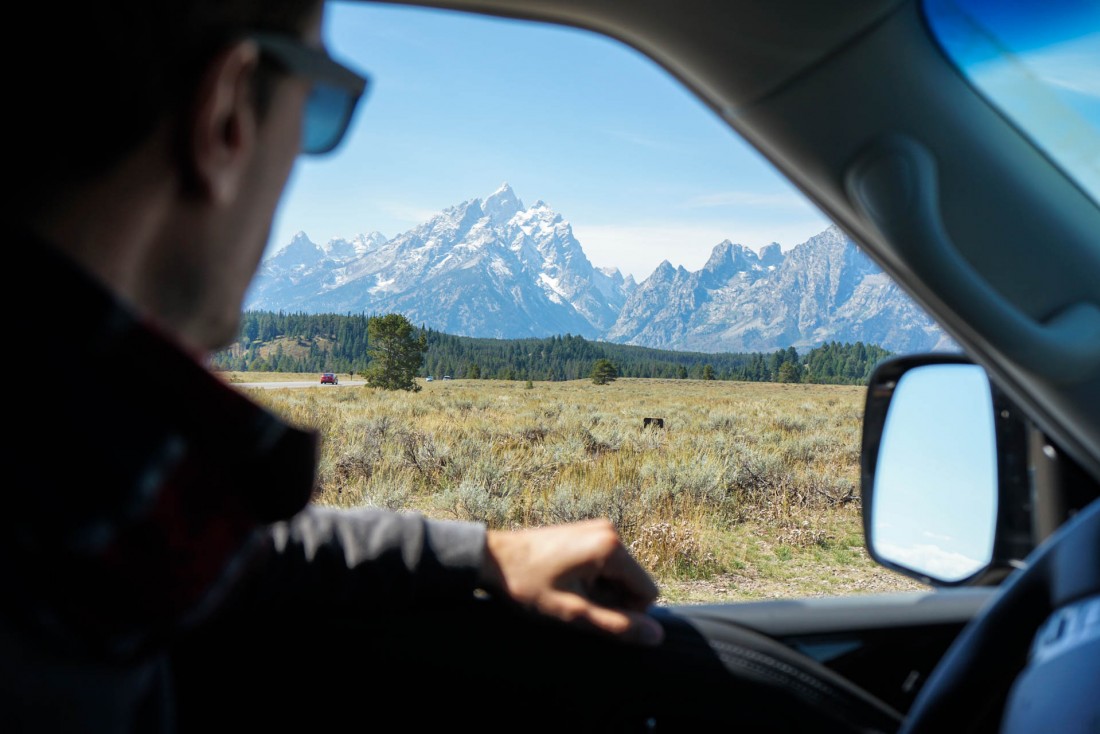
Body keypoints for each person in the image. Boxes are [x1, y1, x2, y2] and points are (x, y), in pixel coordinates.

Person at [2, 1, 664, 731]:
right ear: (229, 114)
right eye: (320, 110)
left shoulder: (79, 492)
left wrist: (479, 552)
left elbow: (250, 556)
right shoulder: (53, 597)